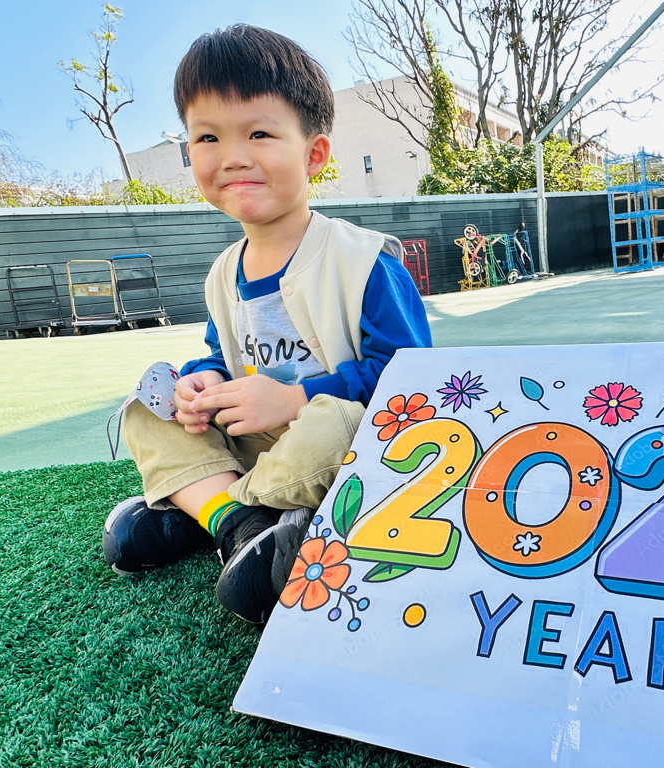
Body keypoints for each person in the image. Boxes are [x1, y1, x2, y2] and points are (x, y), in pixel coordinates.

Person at [102, 24, 431, 624]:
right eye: (208, 137)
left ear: (314, 154)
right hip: (253, 447)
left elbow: (413, 383)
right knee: (146, 408)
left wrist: (295, 398)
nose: (232, 156)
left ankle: (209, 512)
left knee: (334, 422)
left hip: (331, 444)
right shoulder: (223, 273)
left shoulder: (364, 261)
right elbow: (220, 353)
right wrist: (201, 382)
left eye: (258, 133)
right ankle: (244, 525)